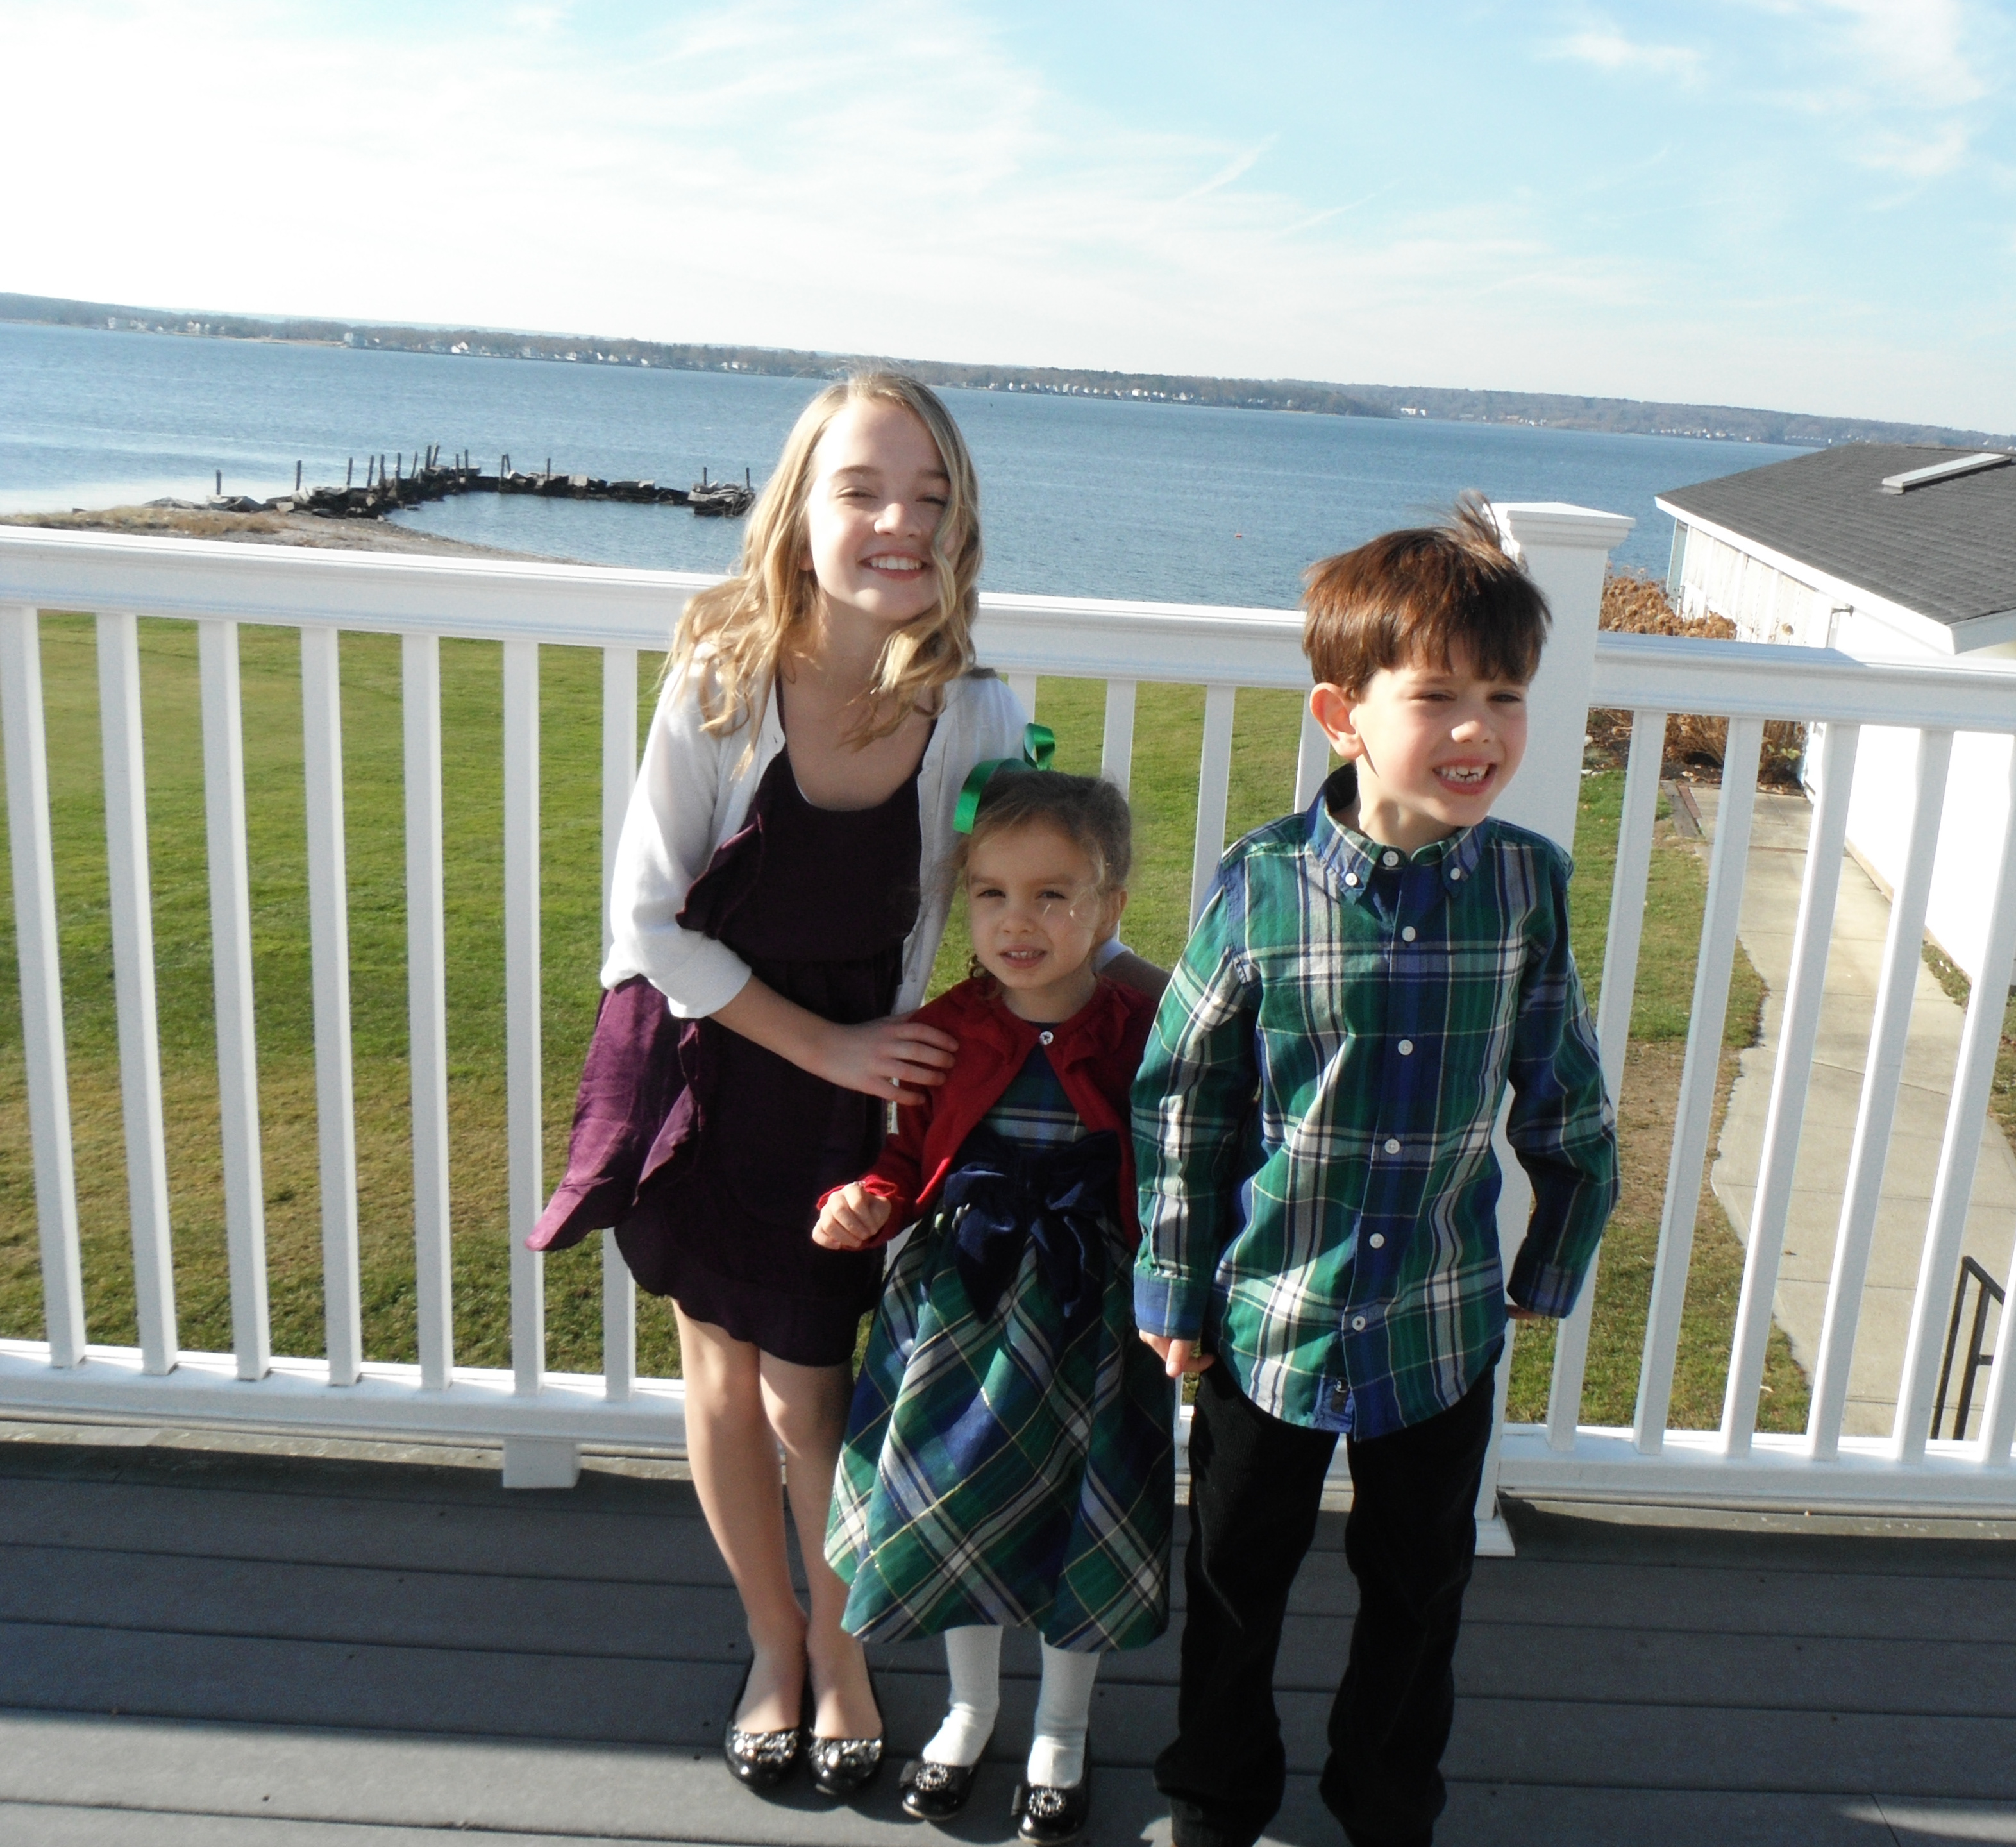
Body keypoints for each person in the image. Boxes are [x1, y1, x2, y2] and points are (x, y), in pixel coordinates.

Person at [531, 373, 1157, 1798]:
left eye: (932, 498)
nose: (899, 522)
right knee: (717, 1372)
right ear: (798, 513)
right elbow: (646, 926)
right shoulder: (723, 683)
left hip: (848, 1100)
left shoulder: (974, 712)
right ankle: (775, 1645)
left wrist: (1172, 996)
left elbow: (1030, 909)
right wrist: (826, 1049)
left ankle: (843, 1647)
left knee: (812, 1400)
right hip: (705, 1062)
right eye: (863, 491)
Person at [1130, 496, 1620, 1847]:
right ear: (1343, 716)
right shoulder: (1264, 885)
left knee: (1419, 1588)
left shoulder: (1525, 887)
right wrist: (1174, 1289)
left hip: (1438, 1323)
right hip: (1268, 1318)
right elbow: (1184, 1098)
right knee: (1236, 1575)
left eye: (1505, 697)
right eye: (1440, 696)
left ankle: (1388, 1801)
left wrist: (1555, 1252)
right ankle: (1215, 1794)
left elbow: (1564, 1085)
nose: (1480, 730)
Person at [815, 766, 1173, 1845]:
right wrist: (867, 1203)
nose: (1018, 922)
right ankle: (969, 1711)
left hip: (1089, 1315)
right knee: (952, 1507)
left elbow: (1182, 1163)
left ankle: (1063, 1728)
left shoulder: (1146, 1026)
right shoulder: (946, 1028)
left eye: (1053, 895)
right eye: (992, 894)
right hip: (957, 1317)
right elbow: (905, 1157)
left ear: (1108, 908)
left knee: (1076, 1515)